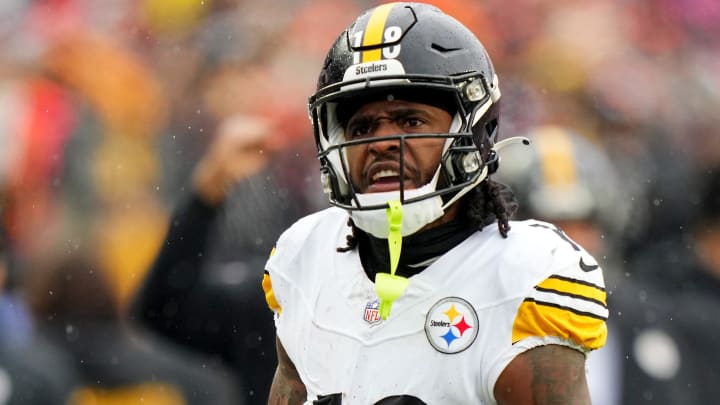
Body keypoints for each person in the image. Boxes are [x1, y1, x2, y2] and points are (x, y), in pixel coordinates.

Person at [261, 3, 608, 404]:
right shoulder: (305, 254)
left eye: (411, 121)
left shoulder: (521, 278)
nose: (381, 143)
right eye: (363, 126)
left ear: (473, 132)